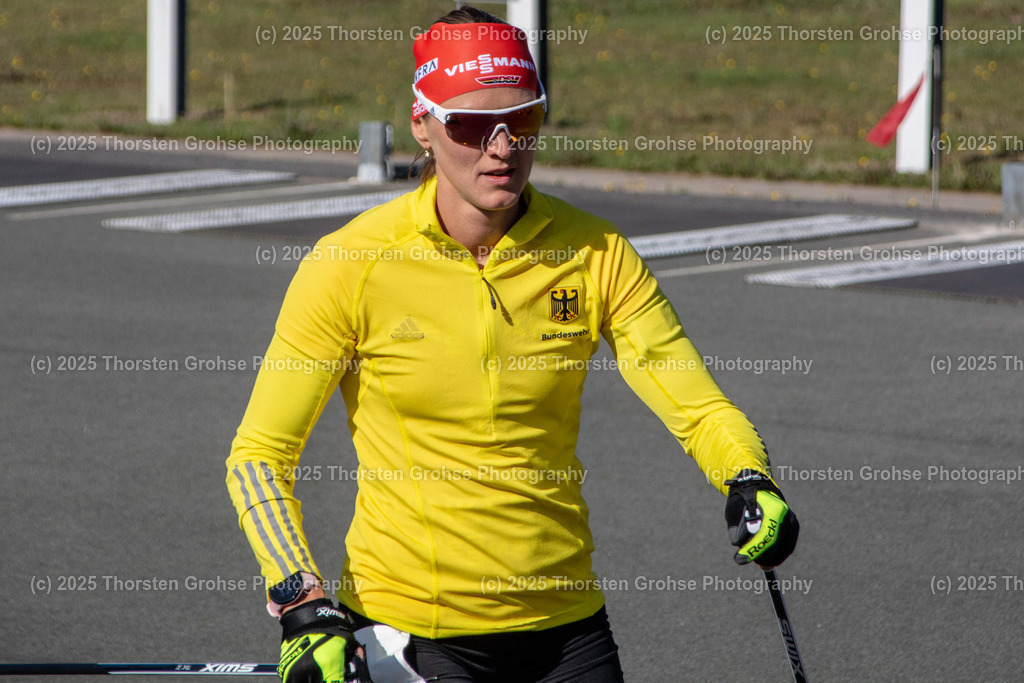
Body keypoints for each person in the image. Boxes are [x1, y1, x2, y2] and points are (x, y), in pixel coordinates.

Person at [226, 6, 799, 682]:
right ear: (422, 124)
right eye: (471, 126)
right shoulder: (350, 263)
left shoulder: (595, 251)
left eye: (522, 120)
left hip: (567, 627)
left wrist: (748, 477)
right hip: (412, 632)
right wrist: (302, 598)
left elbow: (697, 406)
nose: (502, 147)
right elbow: (260, 456)